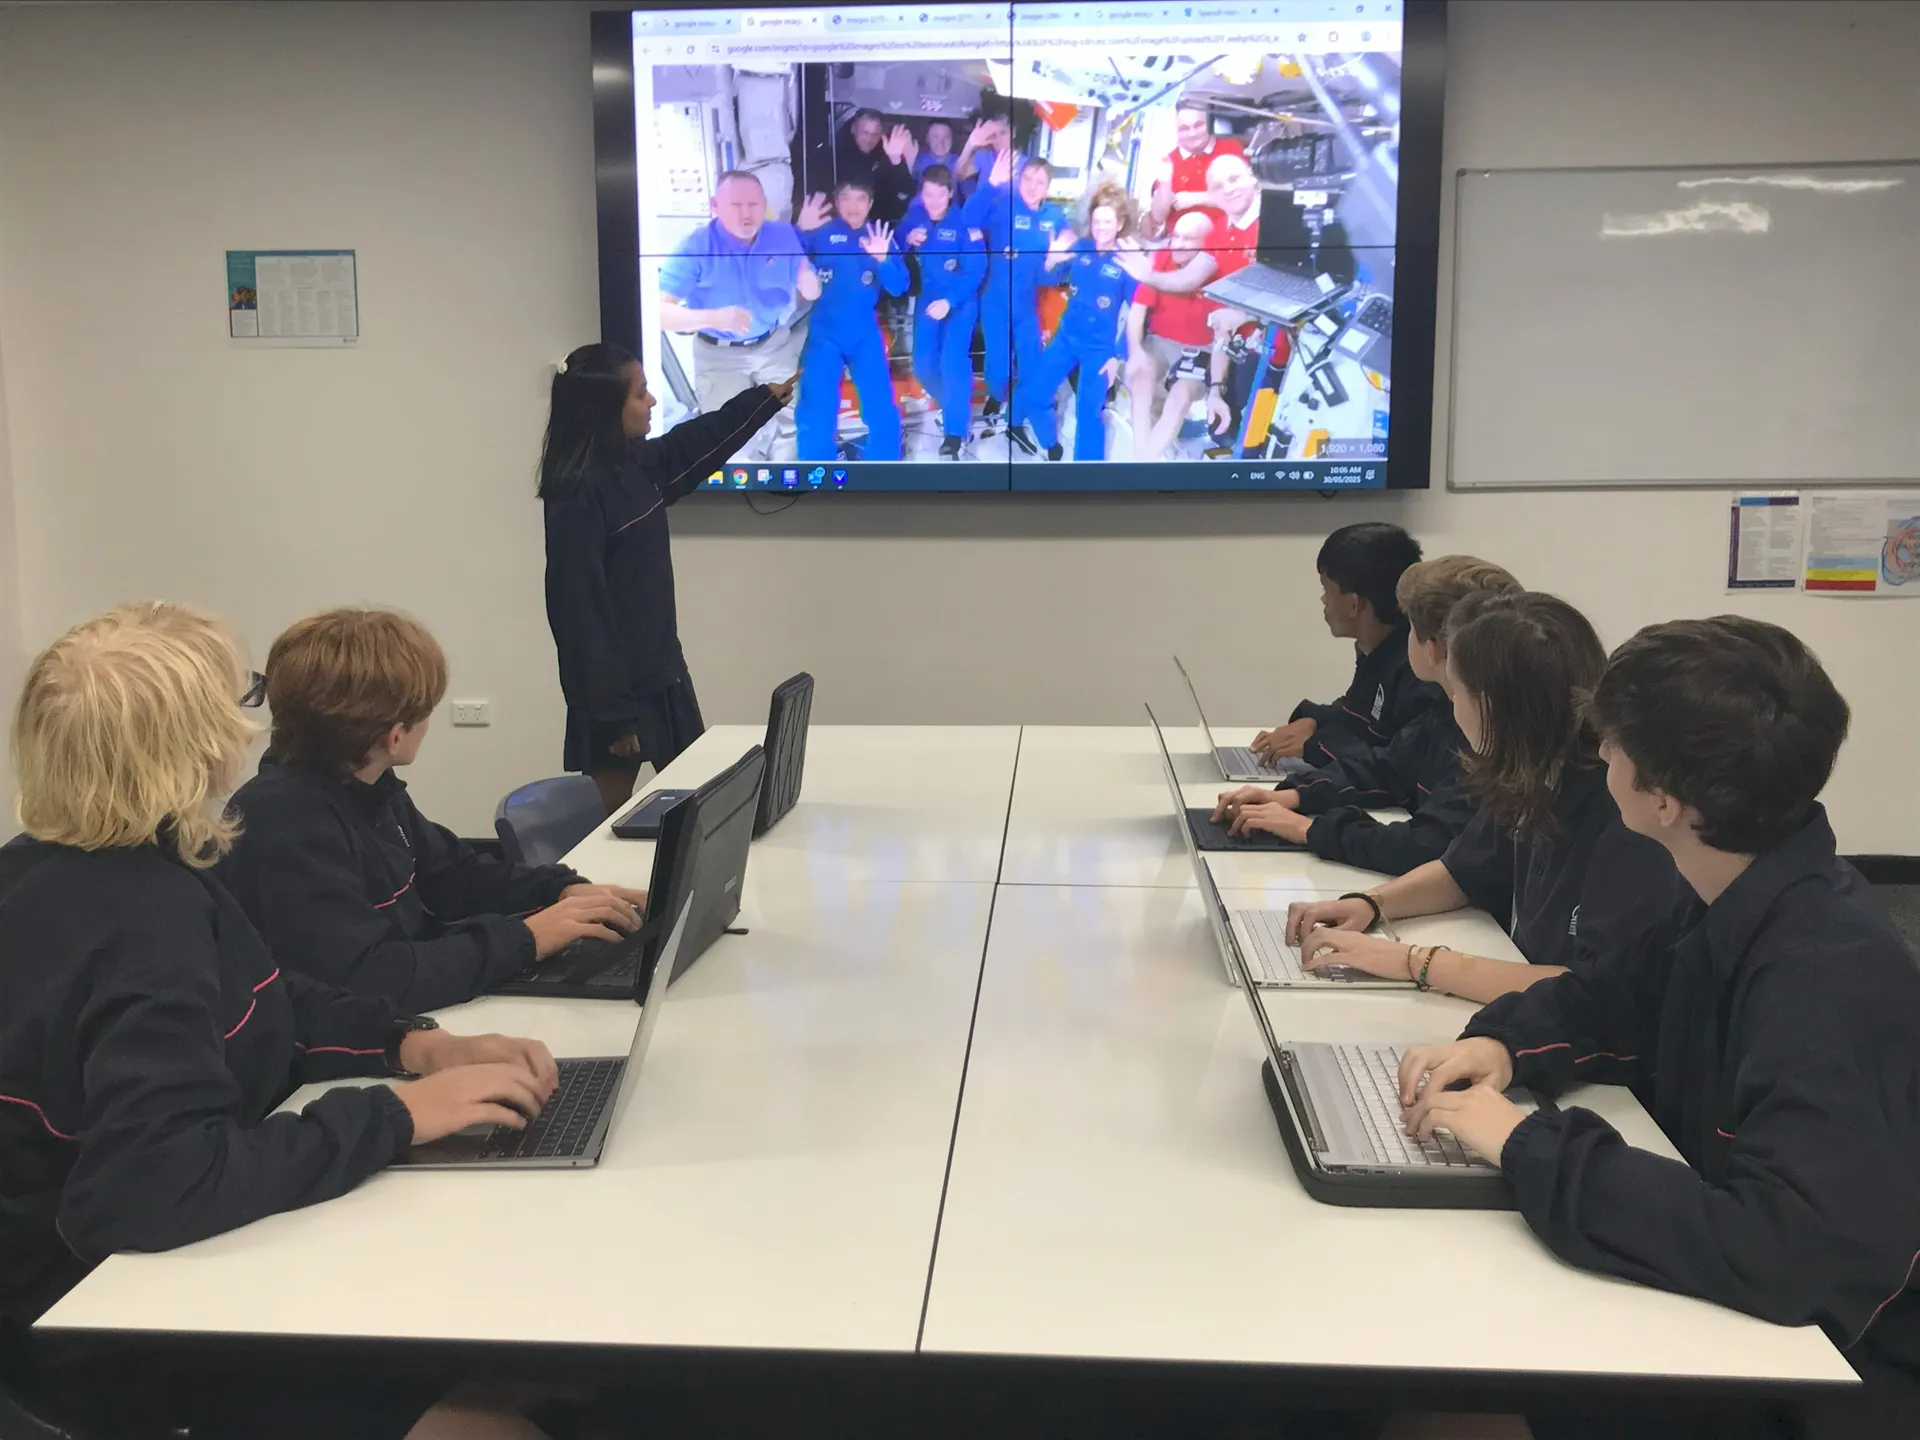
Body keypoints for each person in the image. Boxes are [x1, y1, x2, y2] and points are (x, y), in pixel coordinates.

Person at [0, 602, 562, 1439]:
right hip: (113, 1345)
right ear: (198, 746)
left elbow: (265, 998)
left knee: (532, 1368)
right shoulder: (139, 928)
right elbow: (151, 1185)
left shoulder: (84, 862)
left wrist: (412, 1043)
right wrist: (393, 1116)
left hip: (138, 1293)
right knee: (512, 1398)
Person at [1398, 618, 1920, 1440]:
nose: (1597, 756)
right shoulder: (1739, 884)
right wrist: (1500, 1044)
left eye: (1610, 746)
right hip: (1746, 1318)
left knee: (1426, 1395)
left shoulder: (1827, 975)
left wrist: (1528, 1143)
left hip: (1824, 1377)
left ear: (1663, 799)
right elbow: (1612, 1001)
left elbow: (1787, 1249)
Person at [218, 609, 652, 1012]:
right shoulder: (281, 822)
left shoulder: (365, 786)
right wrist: (526, 940)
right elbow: (368, 979)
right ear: (395, 735)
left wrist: (560, 891)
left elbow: (453, 876)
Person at [1283, 589, 1689, 1004]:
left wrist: (1416, 962)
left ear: (1492, 707)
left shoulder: (1623, 811)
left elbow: (1594, 991)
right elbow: (1464, 871)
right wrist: (1372, 903)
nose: (1453, 710)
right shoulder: (1534, 773)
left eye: (1456, 694)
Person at [538, 343, 793, 813]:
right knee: (605, 827)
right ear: (604, 408)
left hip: (664, 676)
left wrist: (760, 403)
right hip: (615, 695)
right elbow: (578, 613)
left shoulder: (634, 469)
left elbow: (690, 446)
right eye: (640, 394)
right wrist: (613, 717)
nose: (651, 401)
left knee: (704, 809)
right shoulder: (577, 495)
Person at [1212, 556, 1520, 874]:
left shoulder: (1486, 733)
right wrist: (1296, 796)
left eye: (1409, 627)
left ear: (1434, 647)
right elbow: (1387, 768)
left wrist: (1309, 830)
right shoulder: (1445, 712)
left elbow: (1427, 844)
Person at [655, 169, 827, 464]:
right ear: (715, 205)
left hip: (774, 345)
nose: (747, 214)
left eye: (754, 204)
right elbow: (658, 314)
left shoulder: (782, 235)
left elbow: (806, 281)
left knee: (788, 428)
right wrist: (714, 317)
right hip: (719, 356)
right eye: (736, 205)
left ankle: (789, 492)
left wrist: (811, 284)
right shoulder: (696, 246)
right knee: (730, 444)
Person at [1252, 523, 1444, 765]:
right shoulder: (1378, 650)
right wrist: (1314, 721)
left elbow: (1398, 763)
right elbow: (1357, 716)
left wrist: (1316, 746)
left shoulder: (1418, 671)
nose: (1323, 599)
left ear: (1354, 604)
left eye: (1327, 589)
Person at [1016, 181, 1141, 462]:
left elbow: (1139, 312)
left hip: (1100, 350)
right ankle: (1051, 443)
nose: (1101, 227)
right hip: (1066, 338)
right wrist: (1050, 260)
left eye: (1107, 221)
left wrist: (1119, 356)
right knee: (1034, 392)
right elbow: (1049, 277)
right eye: (1097, 221)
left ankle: (1086, 475)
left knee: (1088, 413)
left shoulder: (1127, 260)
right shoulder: (1081, 247)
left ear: (1120, 224)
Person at [795, 180, 908, 462]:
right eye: (846, 199)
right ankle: (815, 467)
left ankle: (886, 463)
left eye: (861, 200)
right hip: (824, 334)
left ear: (870, 204)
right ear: (836, 201)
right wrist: (798, 230)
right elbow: (782, 262)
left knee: (879, 402)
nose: (853, 206)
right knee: (816, 404)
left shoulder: (880, 236)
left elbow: (899, 287)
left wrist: (883, 259)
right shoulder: (819, 232)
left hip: (864, 334)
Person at [962, 150, 1069, 434]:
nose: (1033, 186)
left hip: (1027, 306)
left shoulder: (1056, 219)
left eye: (1040, 181)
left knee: (1032, 365)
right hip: (995, 302)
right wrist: (991, 185)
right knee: (998, 370)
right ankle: (997, 396)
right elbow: (967, 218)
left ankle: (1017, 419)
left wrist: (1054, 261)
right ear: (1019, 179)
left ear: (1048, 187)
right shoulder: (1003, 206)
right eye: (1028, 178)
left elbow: (1051, 278)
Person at [901, 165, 986, 460]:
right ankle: (955, 409)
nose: (934, 200)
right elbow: (893, 242)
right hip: (928, 300)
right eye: (928, 194)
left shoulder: (965, 221)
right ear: (921, 193)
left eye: (940, 194)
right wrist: (907, 239)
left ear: (950, 193)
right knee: (923, 366)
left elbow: (977, 269)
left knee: (953, 362)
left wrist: (950, 301)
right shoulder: (915, 216)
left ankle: (954, 432)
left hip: (960, 303)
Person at [1123, 210, 1220, 461]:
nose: (1177, 243)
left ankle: (1143, 464)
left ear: (1205, 243)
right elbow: (1137, 311)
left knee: (1180, 398)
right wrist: (1135, 351)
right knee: (1141, 381)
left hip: (1200, 350)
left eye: (1187, 239)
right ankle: (1140, 459)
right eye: (1175, 236)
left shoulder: (1218, 268)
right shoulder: (1162, 259)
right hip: (1159, 341)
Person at [1146, 96, 1246, 237]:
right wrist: (1165, 184)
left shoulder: (1231, 147)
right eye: (1184, 128)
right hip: (1184, 248)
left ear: (1209, 123)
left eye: (1198, 125)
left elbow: (1248, 198)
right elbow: (1158, 217)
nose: (1192, 134)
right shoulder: (1169, 161)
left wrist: (1198, 198)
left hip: (1229, 241)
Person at [833, 107, 916, 224]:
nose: (869, 139)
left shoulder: (885, 155)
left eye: (875, 134)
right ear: (853, 129)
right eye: (865, 132)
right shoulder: (837, 156)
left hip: (878, 226)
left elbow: (905, 193)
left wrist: (896, 159)